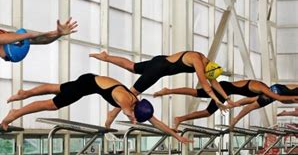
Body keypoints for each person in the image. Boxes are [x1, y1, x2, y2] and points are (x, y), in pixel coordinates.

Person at [1, 73, 192, 144]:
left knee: (56, 88)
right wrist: (128, 116)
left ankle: (25, 93)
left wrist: (176, 136)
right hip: (86, 85)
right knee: (51, 105)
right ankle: (15, 113)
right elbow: (124, 107)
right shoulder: (126, 100)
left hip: (89, 82)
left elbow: (156, 122)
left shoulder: (137, 101)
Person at [89, 50, 229, 116]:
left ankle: (106, 57)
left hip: (159, 60)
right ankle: (112, 114)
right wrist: (216, 100)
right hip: (158, 70)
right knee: (132, 94)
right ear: (207, 67)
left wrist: (226, 98)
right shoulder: (197, 61)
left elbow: (214, 83)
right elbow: (205, 84)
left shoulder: (203, 58)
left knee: (132, 66)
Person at [154, 80, 298, 129]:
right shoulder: (265, 89)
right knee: (206, 109)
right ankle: (179, 117)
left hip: (224, 90)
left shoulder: (263, 92)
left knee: (197, 94)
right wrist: (235, 119)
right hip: (223, 89)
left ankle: (170, 92)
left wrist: (233, 104)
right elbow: (276, 97)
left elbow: (247, 101)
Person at [230, 84, 298, 128]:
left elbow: (289, 101)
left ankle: (231, 104)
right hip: (278, 91)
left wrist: (285, 112)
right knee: (253, 106)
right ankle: (235, 119)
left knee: (253, 99)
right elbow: (289, 100)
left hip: (277, 88)